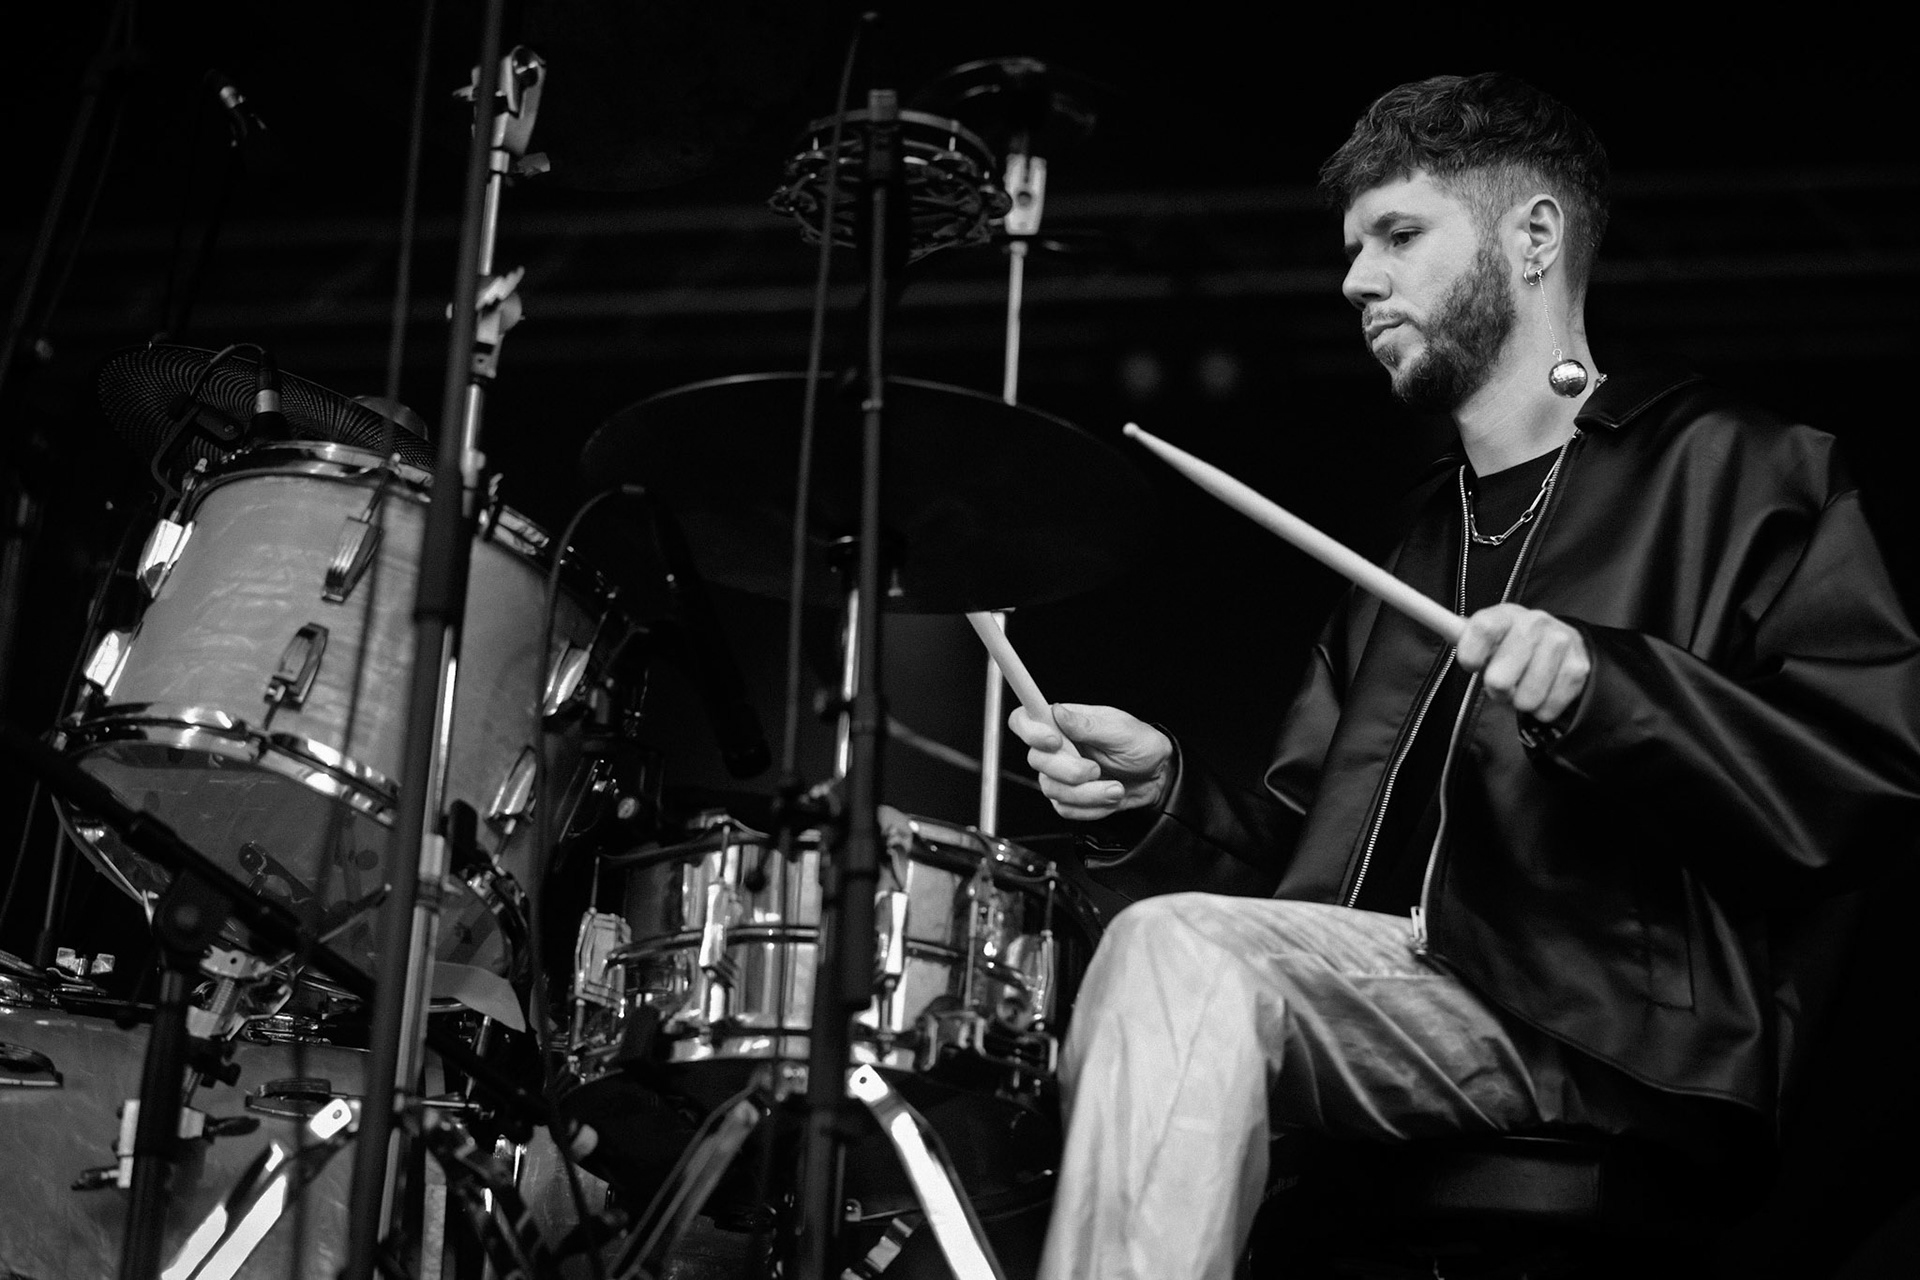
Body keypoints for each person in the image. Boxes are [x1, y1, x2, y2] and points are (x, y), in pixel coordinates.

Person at [1011, 72, 1920, 1278]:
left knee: (1179, 955)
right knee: (1160, 964)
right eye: (1353, 248)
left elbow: (1864, 783)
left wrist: (1610, 687)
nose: (1356, 281)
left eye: (1398, 235)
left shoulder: (1746, 473)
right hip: (1394, 1006)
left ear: (1534, 235)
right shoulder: (1416, 541)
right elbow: (1299, 872)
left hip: (1599, 1029)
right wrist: (1162, 796)